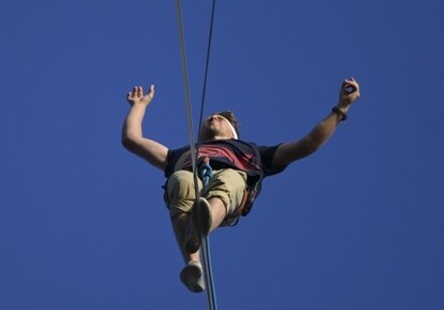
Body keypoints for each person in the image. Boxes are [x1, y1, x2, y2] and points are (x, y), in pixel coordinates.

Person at [122, 78, 361, 293]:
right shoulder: (180, 154)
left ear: (233, 131)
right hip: (190, 184)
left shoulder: (254, 152)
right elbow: (132, 140)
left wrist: (341, 109)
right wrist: (139, 107)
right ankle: (193, 265)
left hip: (231, 189)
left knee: (230, 179)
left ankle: (201, 223)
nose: (212, 118)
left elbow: (308, 144)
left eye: (220, 118)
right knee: (181, 180)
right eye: (209, 118)